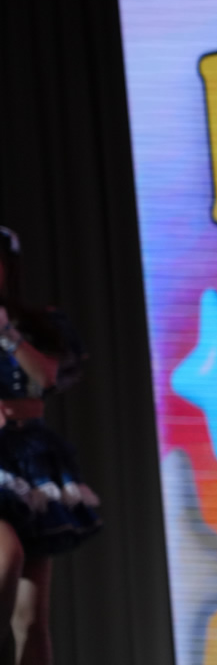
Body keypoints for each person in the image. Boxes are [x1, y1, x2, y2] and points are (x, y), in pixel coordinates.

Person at [0, 227, 100, 665]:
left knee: (32, 618)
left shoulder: (37, 323)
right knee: (9, 555)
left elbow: (46, 377)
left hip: (33, 460)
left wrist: (7, 332)